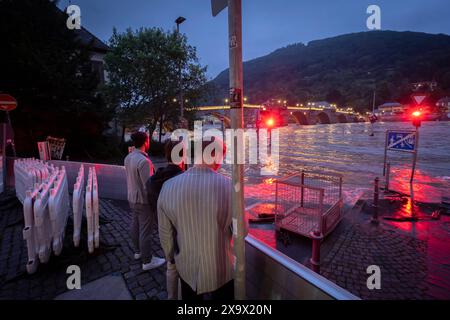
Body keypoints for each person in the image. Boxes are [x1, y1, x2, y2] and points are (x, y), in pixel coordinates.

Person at [158, 137, 234, 300]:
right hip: (221, 268)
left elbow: (165, 233)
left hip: (187, 267)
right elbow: (242, 231)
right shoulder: (230, 187)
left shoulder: (168, 186)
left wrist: (171, 257)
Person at [146, 139, 185, 300]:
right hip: (183, 231)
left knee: (171, 265)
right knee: (184, 270)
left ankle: (171, 297)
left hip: (163, 227)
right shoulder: (183, 180)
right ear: (183, 156)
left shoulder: (153, 180)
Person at [124, 131, 165, 271]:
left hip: (131, 198)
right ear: (146, 142)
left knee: (135, 225)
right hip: (142, 200)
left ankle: (137, 252)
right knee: (145, 230)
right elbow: (148, 185)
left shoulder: (128, 157)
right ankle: (147, 260)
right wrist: (155, 203)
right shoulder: (144, 161)